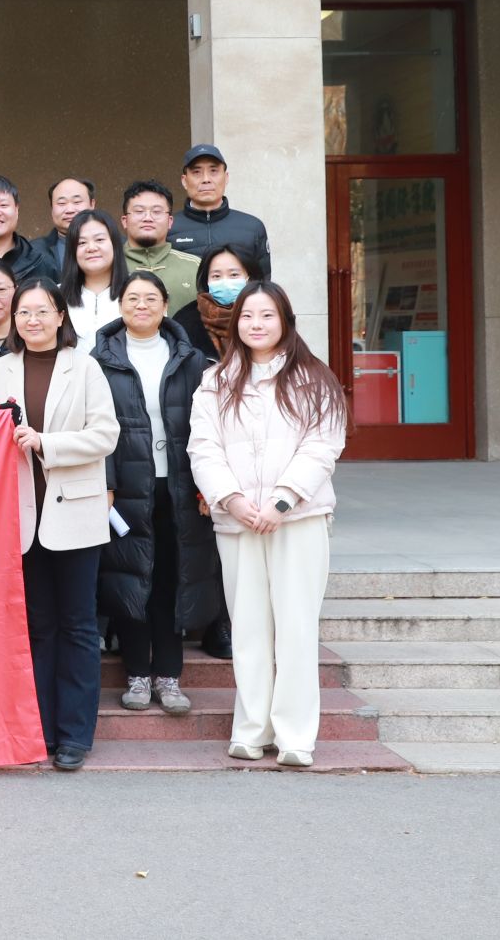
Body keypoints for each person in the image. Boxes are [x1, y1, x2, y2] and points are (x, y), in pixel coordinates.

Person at [188, 281, 345, 768]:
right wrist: (232, 500)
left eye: (267, 315)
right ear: (236, 323)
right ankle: (252, 728)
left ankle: (296, 736)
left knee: (296, 626)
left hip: (297, 520)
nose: (256, 324)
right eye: (248, 316)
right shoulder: (215, 381)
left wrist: (282, 501)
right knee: (249, 628)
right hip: (238, 523)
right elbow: (203, 448)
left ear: (285, 321)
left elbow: (323, 446)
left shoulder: (314, 379)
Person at [0, 279, 120, 772]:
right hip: (21, 516)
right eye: (24, 312)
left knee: (79, 626)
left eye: (42, 311)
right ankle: (39, 729)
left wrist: (47, 443)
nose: (32, 320)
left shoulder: (85, 367)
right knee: (38, 626)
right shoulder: (0, 369)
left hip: (75, 513)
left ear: (61, 316)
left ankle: (75, 735)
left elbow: (106, 434)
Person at [91, 272, 218, 717]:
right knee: (131, 579)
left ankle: (169, 675)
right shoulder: (99, 360)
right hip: (125, 489)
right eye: (132, 298)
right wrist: (106, 483)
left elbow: (208, 427)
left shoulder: (191, 359)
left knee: (169, 577)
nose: (141, 305)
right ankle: (137, 674)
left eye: (150, 298)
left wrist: (206, 484)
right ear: (120, 306)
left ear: (165, 306)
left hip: (178, 485)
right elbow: (95, 427)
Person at [171, 144, 273, 278]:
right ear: (184, 181)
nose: (206, 179)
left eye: (213, 171)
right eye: (196, 172)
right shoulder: (168, 226)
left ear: (226, 177)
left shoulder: (253, 227)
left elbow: (263, 283)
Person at [120, 182, 201, 316]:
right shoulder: (109, 266)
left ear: (170, 221)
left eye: (157, 212)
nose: (148, 218)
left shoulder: (195, 267)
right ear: (124, 221)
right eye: (139, 211)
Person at [175, 243, 257, 362]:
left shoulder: (267, 314)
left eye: (234, 275)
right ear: (206, 280)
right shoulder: (185, 321)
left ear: (249, 278)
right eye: (216, 276)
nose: (225, 281)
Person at [64, 209, 129, 343]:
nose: (91, 248)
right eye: (82, 243)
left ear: (115, 244)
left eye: (99, 239)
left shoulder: (139, 291)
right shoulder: (55, 297)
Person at [35, 177, 94, 287]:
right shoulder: (33, 251)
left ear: (92, 204)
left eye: (77, 202)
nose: (70, 210)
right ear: (51, 209)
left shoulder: (116, 244)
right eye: (61, 203)